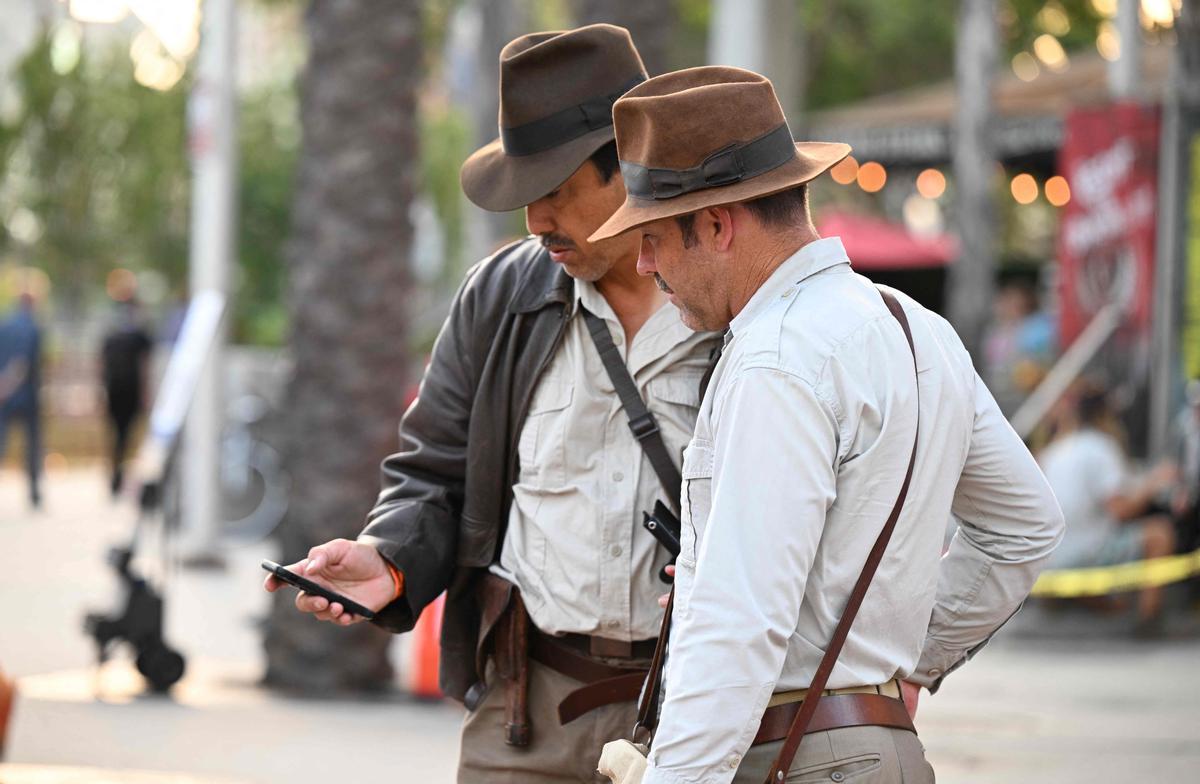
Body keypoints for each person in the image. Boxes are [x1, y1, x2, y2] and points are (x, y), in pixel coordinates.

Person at [263, 25, 720, 783]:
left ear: (630, 167)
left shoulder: (732, 298)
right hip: (523, 715)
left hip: (702, 712)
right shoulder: (501, 295)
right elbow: (434, 471)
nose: (536, 222)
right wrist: (389, 559)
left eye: (555, 192)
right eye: (524, 198)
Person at [587, 67, 1064, 783]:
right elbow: (1025, 524)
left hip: (797, 756)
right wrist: (886, 674)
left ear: (717, 224)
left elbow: (740, 623)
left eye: (654, 237)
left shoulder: (774, 359)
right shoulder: (918, 330)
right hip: (875, 751)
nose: (646, 263)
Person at [1040, 383, 1177, 632]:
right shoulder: (1101, 447)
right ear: (1106, 414)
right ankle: (1149, 620)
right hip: (1084, 554)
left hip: (1051, 557)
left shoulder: (1054, 451)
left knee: (1111, 547)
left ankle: (1076, 603)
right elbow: (1120, 510)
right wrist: (1153, 484)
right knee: (1159, 533)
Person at [100, 298, 153, 496]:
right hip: (123, 392)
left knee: (121, 436)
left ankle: (118, 475)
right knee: (122, 436)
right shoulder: (131, 337)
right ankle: (117, 475)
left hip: (124, 391)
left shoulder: (131, 337)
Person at [0, 293, 44, 509]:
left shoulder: (4, 325)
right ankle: (34, 491)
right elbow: (23, 362)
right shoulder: (33, 328)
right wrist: (7, 385)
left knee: (2, 442)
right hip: (24, 394)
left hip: (4, 395)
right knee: (32, 445)